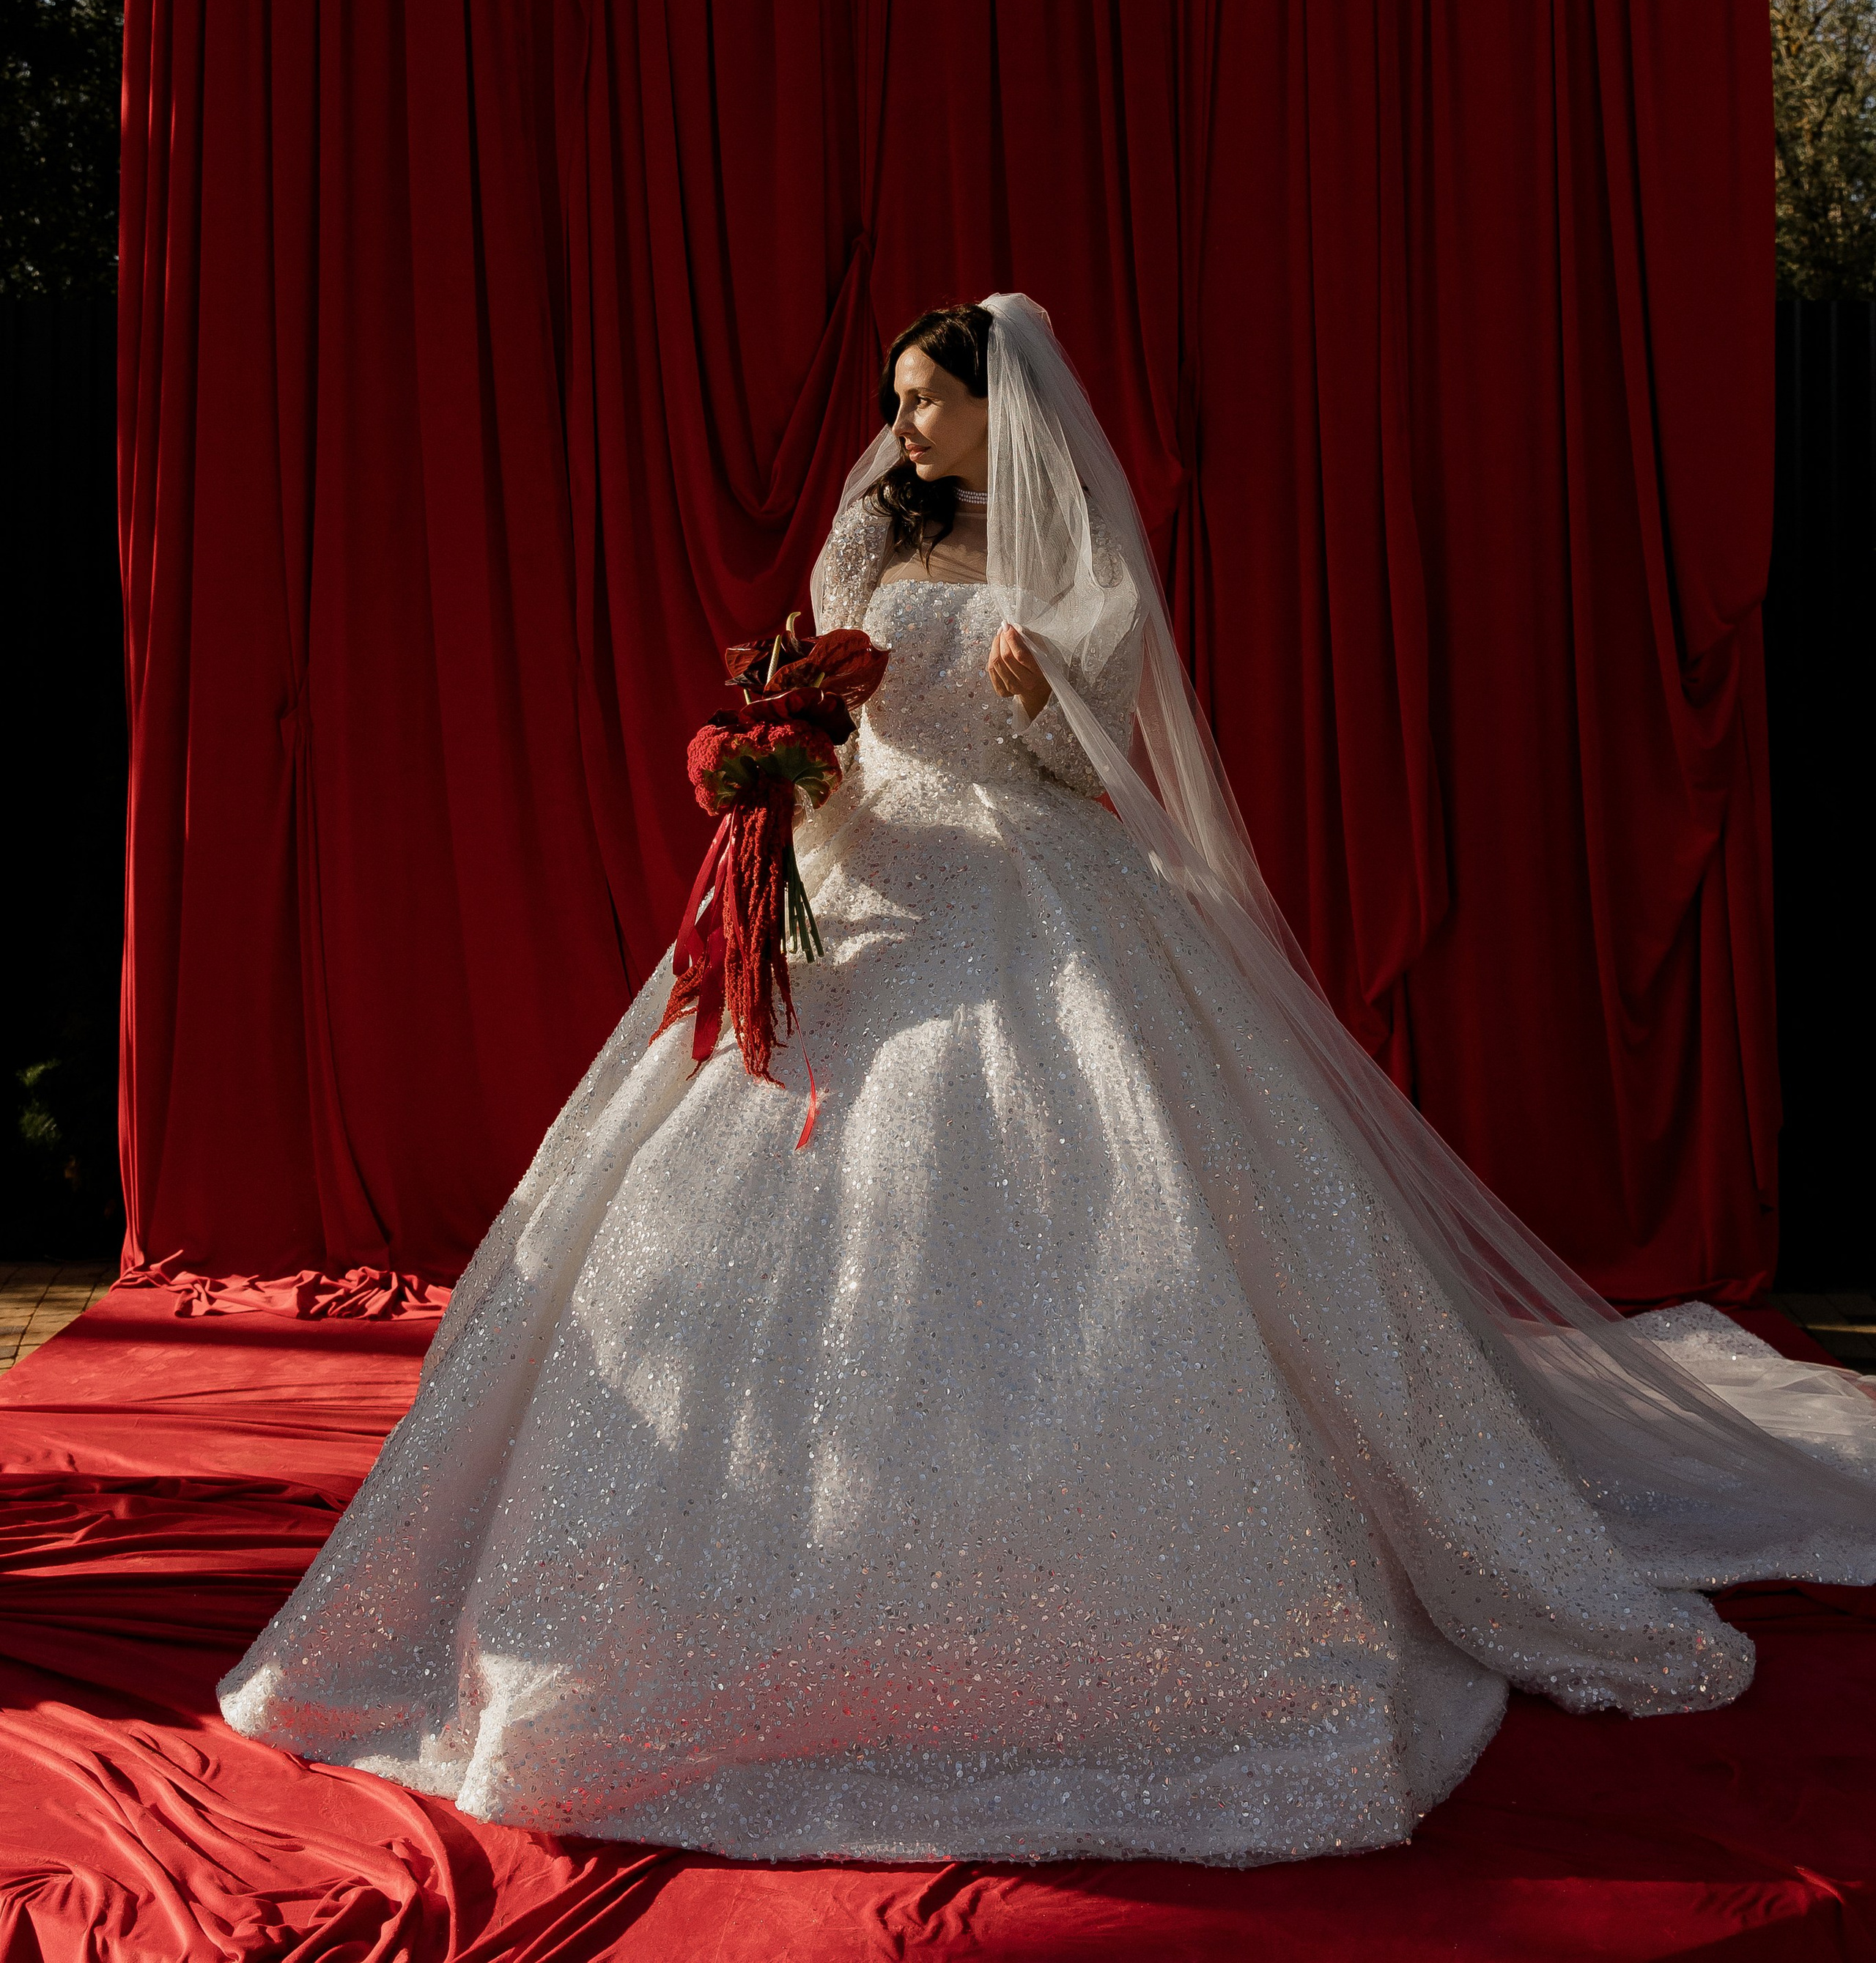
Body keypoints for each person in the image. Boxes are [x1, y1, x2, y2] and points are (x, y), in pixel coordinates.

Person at [219, 293, 1876, 1867]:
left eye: (925, 398)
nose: (898, 423)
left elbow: (1106, 763)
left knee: (1117, 1184)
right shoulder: (870, 535)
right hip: (865, 880)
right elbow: (828, 711)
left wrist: (1051, 693)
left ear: (994, 404)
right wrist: (774, 775)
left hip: (1032, 884)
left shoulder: (1073, 555)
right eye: (893, 402)